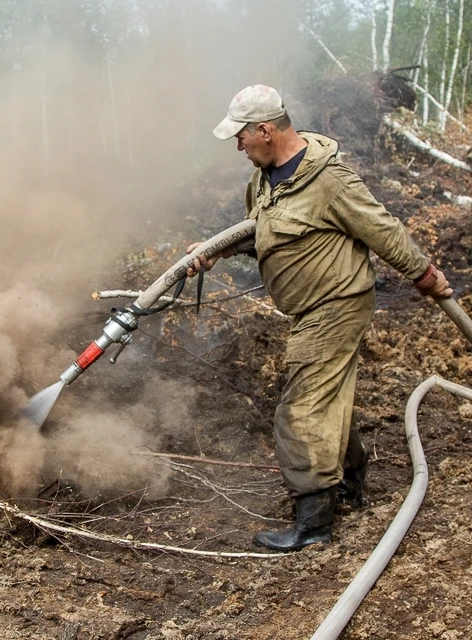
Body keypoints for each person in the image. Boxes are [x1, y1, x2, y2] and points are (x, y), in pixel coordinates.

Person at [187, 84, 452, 553]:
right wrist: (215, 251)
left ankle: (313, 524)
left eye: (241, 136)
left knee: (301, 409)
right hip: (308, 308)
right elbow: (262, 233)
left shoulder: (330, 181)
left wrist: (425, 275)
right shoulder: (264, 179)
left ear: (265, 130)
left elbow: (382, 228)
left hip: (336, 304)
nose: (237, 145)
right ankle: (349, 482)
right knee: (326, 395)